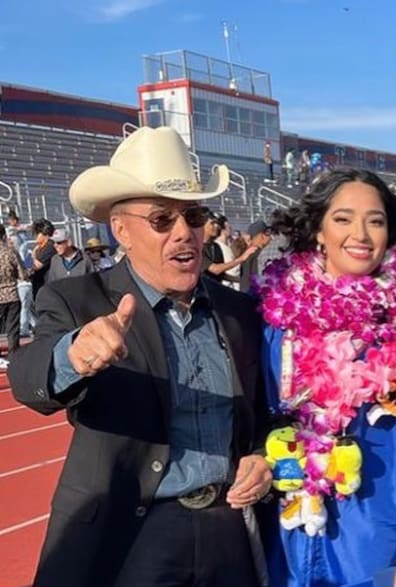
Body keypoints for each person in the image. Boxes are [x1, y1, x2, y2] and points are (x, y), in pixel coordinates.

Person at [8, 125, 273, 587]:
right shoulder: (78, 300)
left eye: (193, 216)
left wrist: (262, 455)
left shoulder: (240, 311)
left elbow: (268, 414)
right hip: (135, 533)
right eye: (161, 220)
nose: (184, 234)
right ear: (121, 230)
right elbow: (28, 378)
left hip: (230, 527)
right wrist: (74, 354)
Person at [256, 168, 396, 587]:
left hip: (379, 530)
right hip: (293, 527)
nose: (360, 233)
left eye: (375, 221)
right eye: (343, 218)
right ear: (318, 230)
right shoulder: (276, 316)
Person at [0, 224, 26, 369]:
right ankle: (13, 355)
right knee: (13, 328)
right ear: (3, 235)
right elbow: (22, 274)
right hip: (12, 294)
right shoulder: (11, 252)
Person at [238, 220, 271, 294]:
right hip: (252, 292)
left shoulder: (248, 252)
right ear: (261, 235)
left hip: (247, 292)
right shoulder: (254, 252)